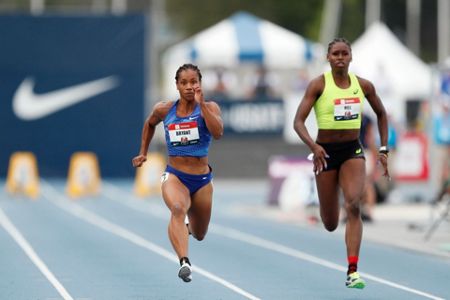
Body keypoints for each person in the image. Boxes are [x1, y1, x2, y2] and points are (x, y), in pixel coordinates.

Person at [293, 38, 389, 289]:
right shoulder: (318, 85)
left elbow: (381, 113)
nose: (340, 57)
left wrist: (383, 148)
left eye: (344, 53)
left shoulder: (363, 85)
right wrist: (314, 147)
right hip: (325, 153)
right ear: (328, 58)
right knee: (330, 222)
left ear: (351, 57)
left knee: (354, 204)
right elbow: (298, 122)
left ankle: (353, 270)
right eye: (335, 53)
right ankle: (331, 204)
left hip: (352, 151)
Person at [132, 63, 223, 283]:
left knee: (200, 234)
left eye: (194, 82)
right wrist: (143, 152)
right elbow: (150, 123)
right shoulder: (165, 109)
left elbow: (218, 132)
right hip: (175, 175)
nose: (189, 87)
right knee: (177, 208)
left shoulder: (210, 107)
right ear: (177, 85)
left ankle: (186, 229)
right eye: (184, 83)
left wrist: (202, 106)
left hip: (201, 180)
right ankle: (184, 261)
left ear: (200, 84)